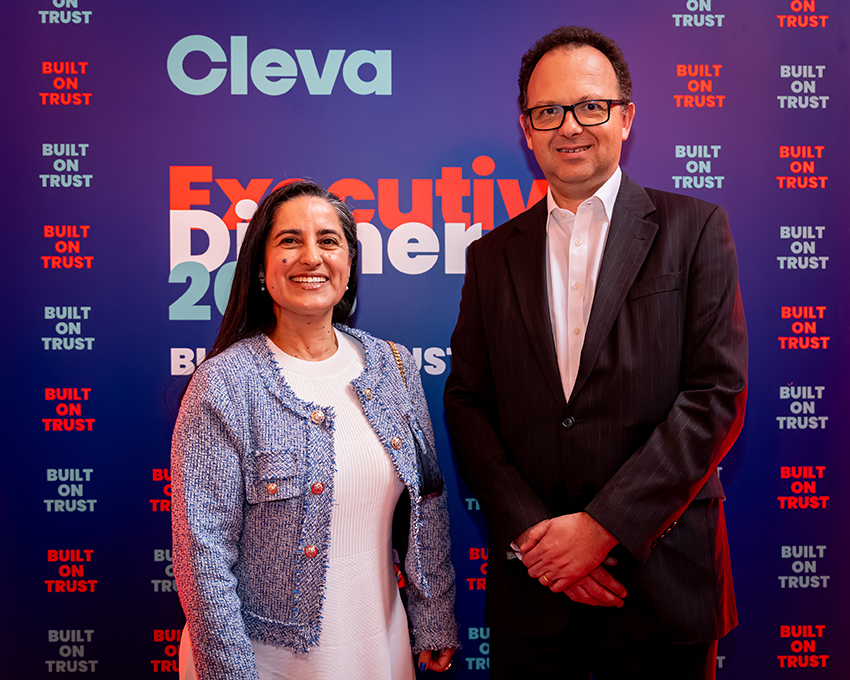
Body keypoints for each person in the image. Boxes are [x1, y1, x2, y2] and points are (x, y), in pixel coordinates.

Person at [443, 26, 747, 679]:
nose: (570, 126)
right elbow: (467, 403)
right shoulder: (491, 256)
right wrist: (536, 539)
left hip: (663, 586)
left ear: (625, 117)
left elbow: (715, 395)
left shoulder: (695, 229)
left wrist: (602, 529)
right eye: (548, 112)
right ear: (527, 130)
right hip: (536, 591)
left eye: (590, 106)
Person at [172, 180, 457, 679]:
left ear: (349, 264)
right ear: (261, 267)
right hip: (264, 661)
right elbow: (203, 556)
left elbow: (426, 506)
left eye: (328, 241)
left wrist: (434, 618)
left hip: (379, 645)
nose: (311, 256)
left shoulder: (393, 367)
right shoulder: (224, 383)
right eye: (290, 241)